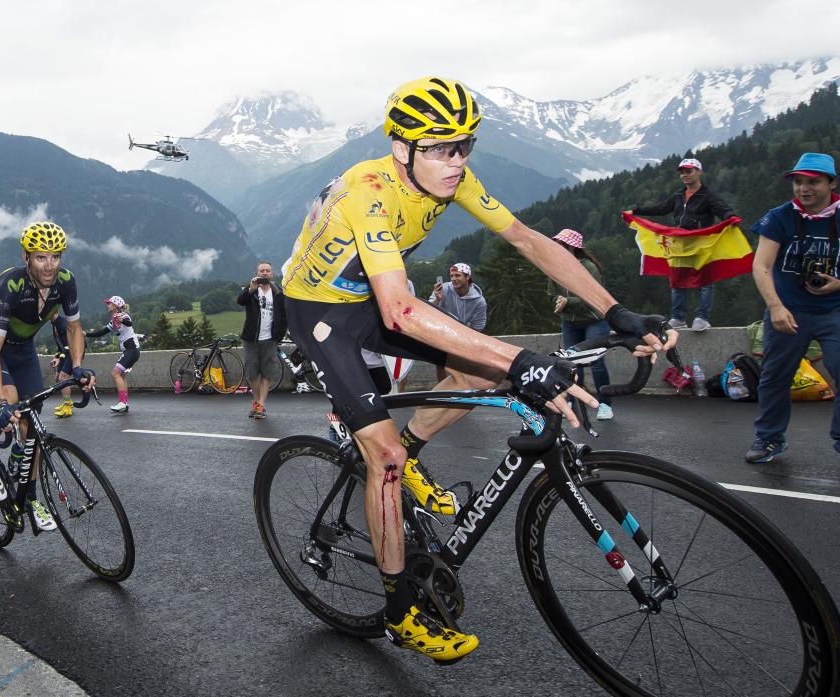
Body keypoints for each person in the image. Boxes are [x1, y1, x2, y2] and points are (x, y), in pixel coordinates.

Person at [281, 76, 675, 662]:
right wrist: (522, 359)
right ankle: (398, 612)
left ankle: (412, 450)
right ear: (402, 148)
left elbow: (529, 240)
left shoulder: (451, 178)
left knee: (477, 374)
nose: (457, 161)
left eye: (465, 145)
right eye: (442, 148)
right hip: (320, 312)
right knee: (382, 458)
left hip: (373, 295)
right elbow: (402, 310)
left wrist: (614, 309)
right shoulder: (370, 192)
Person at [745, 153, 840, 474]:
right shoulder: (778, 217)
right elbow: (761, 266)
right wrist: (776, 306)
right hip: (788, 310)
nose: (804, 189)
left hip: (839, 308)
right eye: (798, 182)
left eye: (813, 182)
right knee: (775, 377)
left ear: (832, 183)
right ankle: (769, 438)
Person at [0, 221, 94, 531]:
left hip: (23, 349)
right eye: (41, 257)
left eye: (55, 256)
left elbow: (74, 328)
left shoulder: (66, 282)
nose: (49, 265)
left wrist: (77, 366)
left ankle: (30, 495)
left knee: (33, 425)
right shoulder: (10, 286)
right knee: (9, 401)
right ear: (26, 256)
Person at [629, 157, 735, 331]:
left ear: (698, 172)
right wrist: (636, 211)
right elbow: (661, 208)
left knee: (705, 281)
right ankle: (678, 318)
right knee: (677, 281)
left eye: (689, 171)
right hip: (680, 243)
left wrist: (730, 218)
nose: (685, 175)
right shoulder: (678, 195)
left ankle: (702, 318)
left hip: (702, 243)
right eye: (682, 172)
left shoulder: (708, 195)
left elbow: (723, 209)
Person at [547, 229, 614, 420]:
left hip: (595, 321)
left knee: (596, 362)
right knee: (572, 364)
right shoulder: (553, 268)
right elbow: (551, 294)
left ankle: (605, 404)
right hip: (570, 323)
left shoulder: (588, 267)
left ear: (572, 247)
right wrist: (559, 301)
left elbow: (594, 296)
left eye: (562, 244)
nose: (557, 247)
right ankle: (572, 400)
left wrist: (569, 302)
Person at [237, 262, 287, 419]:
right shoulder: (251, 291)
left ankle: (261, 405)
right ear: (257, 273)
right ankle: (257, 402)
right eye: (262, 271)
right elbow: (240, 301)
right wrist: (251, 289)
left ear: (272, 274)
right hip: (251, 339)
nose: (265, 273)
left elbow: (284, 316)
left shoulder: (278, 294)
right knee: (252, 373)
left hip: (270, 339)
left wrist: (278, 336)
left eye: (268, 271)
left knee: (267, 372)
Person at [428, 262, 487, 381]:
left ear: (468, 277)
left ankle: (464, 387)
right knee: (440, 361)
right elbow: (427, 310)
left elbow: (479, 325)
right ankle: (443, 392)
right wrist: (437, 300)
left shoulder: (479, 301)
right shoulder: (443, 289)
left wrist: (463, 336)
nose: (454, 279)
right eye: (452, 276)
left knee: (464, 365)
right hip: (442, 331)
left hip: (466, 334)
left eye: (458, 275)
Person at [85, 296, 139, 413]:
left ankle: (122, 403)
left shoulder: (122, 315)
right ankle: (124, 403)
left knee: (115, 373)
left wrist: (122, 320)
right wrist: (86, 334)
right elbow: (102, 332)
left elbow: (129, 323)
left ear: (115, 305)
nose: (107, 305)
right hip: (129, 351)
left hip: (132, 350)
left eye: (109, 303)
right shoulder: (113, 320)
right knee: (121, 375)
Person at [49, 311, 86, 418]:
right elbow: (62, 344)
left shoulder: (61, 323)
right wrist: (57, 357)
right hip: (67, 351)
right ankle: (66, 401)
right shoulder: (55, 323)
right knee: (57, 377)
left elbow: (71, 344)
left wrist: (60, 358)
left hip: (75, 351)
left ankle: (67, 406)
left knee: (63, 378)